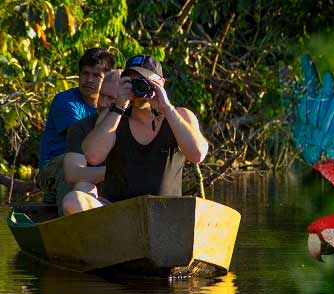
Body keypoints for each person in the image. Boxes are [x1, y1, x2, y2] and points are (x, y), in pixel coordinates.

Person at [66, 55, 208, 213]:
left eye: (145, 81)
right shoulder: (112, 116)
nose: (139, 87)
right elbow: (93, 156)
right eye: (132, 81)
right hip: (118, 214)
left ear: (161, 83)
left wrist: (167, 109)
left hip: (165, 214)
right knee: (73, 200)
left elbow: (197, 155)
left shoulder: (180, 116)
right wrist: (119, 105)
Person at [36, 48, 116, 205]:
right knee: (75, 162)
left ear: (107, 80)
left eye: (96, 76)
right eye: (85, 73)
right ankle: (69, 211)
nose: (89, 80)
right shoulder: (66, 101)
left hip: (91, 166)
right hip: (55, 167)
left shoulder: (113, 105)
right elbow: (84, 145)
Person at [58, 68, 122, 214]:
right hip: (96, 201)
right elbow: (73, 174)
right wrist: (118, 172)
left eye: (111, 98)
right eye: (101, 95)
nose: (103, 103)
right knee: (83, 186)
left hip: (130, 200)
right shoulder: (80, 127)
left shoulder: (137, 126)